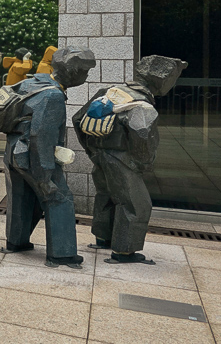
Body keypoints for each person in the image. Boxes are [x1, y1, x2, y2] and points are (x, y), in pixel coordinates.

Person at [73, 55, 187, 264]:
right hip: (123, 160)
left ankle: (103, 239)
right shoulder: (142, 105)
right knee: (136, 204)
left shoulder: (108, 92)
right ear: (163, 80)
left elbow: (77, 119)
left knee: (106, 196)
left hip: (100, 157)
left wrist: (91, 151)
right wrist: (143, 163)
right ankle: (123, 251)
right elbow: (142, 133)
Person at [2, 47, 96, 268]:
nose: (86, 76)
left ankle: (16, 242)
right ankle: (62, 254)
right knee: (59, 198)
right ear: (72, 73)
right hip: (33, 155)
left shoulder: (34, 82)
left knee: (20, 196)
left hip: (13, 150)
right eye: (85, 72)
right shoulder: (53, 95)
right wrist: (45, 177)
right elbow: (40, 136)